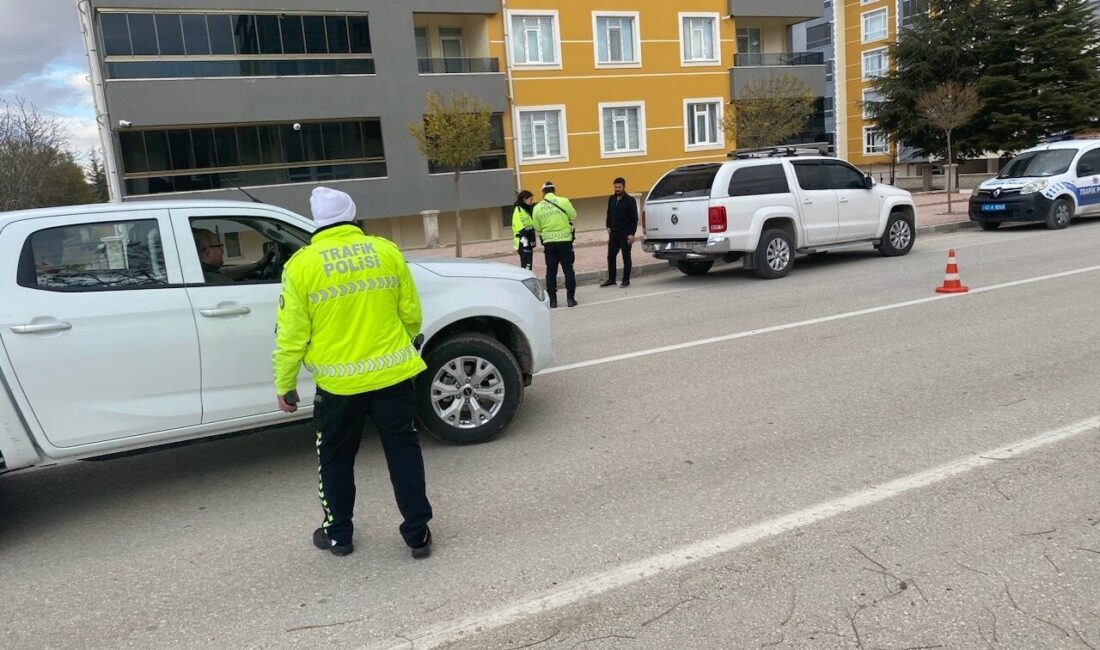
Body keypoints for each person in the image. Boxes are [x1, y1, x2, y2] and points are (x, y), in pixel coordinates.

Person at [273, 187, 434, 560]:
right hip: (394, 377)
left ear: (317, 222)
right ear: (352, 214)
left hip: (338, 386)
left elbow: (291, 335)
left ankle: (339, 535)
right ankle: (417, 535)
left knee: (335, 459)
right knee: (403, 453)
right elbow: (411, 314)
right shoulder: (385, 250)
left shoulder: (301, 265)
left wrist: (285, 384)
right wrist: (399, 345)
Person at [532, 181, 578, 308]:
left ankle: (553, 301)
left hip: (549, 244)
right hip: (565, 242)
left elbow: (537, 227)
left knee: (551, 272)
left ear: (543, 193)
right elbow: (573, 216)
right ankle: (570, 299)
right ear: (554, 190)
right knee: (568, 270)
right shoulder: (564, 201)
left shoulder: (537, 207)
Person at [192, 228, 273, 284]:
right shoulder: (214, 279)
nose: (222, 251)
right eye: (219, 246)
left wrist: (258, 264)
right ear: (208, 252)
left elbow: (229, 271)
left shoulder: (207, 272)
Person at [600, 177, 639, 289]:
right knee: (610, 256)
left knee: (626, 257)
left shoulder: (630, 200)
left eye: (619, 187)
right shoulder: (611, 199)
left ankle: (626, 280)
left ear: (623, 187)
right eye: (615, 187)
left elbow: (634, 218)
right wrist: (607, 226)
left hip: (625, 233)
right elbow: (609, 213)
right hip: (614, 233)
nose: (617, 189)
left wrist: (632, 233)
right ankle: (612, 279)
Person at [511, 190, 537, 270]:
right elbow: (522, 229)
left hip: (527, 242)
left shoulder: (525, 210)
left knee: (527, 266)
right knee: (527, 266)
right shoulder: (518, 210)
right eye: (530, 200)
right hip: (523, 242)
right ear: (524, 199)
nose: (531, 202)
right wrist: (534, 226)